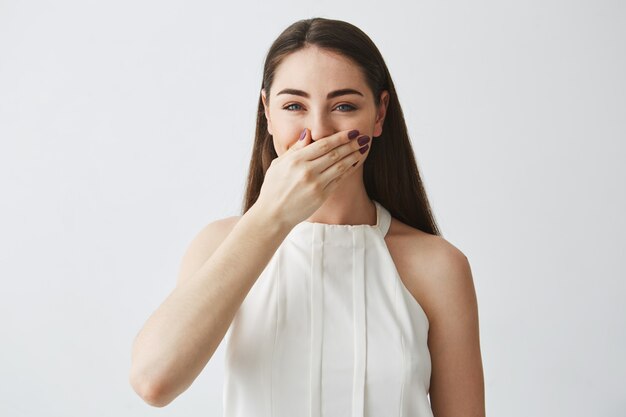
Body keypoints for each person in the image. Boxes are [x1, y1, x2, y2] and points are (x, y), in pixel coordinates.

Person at [130, 17, 485, 417]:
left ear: (380, 114)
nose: (317, 131)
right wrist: (271, 217)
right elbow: (153, 382)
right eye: (294, 106)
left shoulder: (438, 266)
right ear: (267, 112)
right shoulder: (219, 245)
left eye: (344, 106)